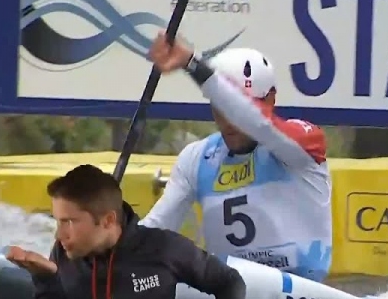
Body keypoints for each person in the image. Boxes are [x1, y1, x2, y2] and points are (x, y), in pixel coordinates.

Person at [139, 43, 333, 283]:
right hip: (228, 293)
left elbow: (260, 123)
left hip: (302, 297)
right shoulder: (196, 158)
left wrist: (193, 65)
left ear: (270, 99)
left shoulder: (304, 144)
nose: (229, 121)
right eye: (219, 108)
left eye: (236, 109)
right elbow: (155, 229)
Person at [5, 164, 246, 299]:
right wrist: (45, 280)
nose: (60, 234)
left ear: (108, 220)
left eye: (69, 222)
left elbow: (231, 284)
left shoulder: (162, 248)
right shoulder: (65, 252)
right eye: (57, 221)